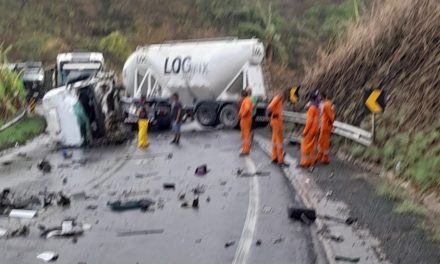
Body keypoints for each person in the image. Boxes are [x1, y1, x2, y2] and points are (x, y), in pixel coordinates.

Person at [267, 89, 290, 167]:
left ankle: (274, 157)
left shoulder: (278, 99)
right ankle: (280, 159)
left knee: (274, 140)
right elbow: (269, 107)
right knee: (279, 140)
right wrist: (275, 114)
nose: (285, 99)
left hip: (275, 122)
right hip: (276, 122)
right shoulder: (277, 98)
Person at [300, 91, 320, 167]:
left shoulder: (311, 108)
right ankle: (312, 161)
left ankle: (305, 162)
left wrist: (304, 132)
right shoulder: (317, 107)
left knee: (305, 146)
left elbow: (309, 122)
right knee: (313, 146)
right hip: (315, 130)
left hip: (310, 131)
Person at [317, 92, 335, 164]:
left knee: (323, 142)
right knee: (323, 142)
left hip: (325, 125)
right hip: (324, 125)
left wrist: (332, 113)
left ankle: (322, 157)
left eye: (319, 96)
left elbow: (330, 116)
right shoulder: (325, 104)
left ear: (322, 97)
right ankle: (323, 157)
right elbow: (331, 116)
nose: (318, 98)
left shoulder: (326, 104)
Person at [239, 89, 253, 156]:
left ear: (242, 95)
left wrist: (242, 115)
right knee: (245, 135)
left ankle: (246, 150)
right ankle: (245, 149)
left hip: (245, 119)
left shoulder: (246, 100)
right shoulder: (247, 100)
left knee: (246, 135)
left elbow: (247, 109)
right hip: (246, 119)